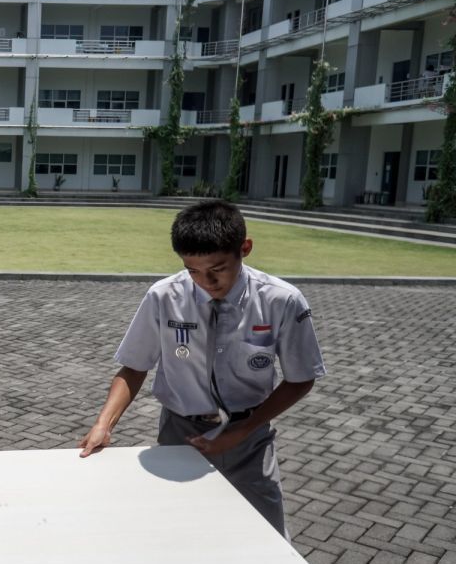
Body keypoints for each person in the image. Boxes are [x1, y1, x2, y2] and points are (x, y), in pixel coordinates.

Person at [78, 199, 325, 538]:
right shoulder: (163, 296)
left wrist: (241, 431)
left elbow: (301, 378)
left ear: (245, 248)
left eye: (218, 269)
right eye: (193, 270)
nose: (205, 281)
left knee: (265, 538)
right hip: (180, 435)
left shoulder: (281, 301)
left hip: (249, 440)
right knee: (176, 534)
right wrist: (103, 424)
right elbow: (134, 367)